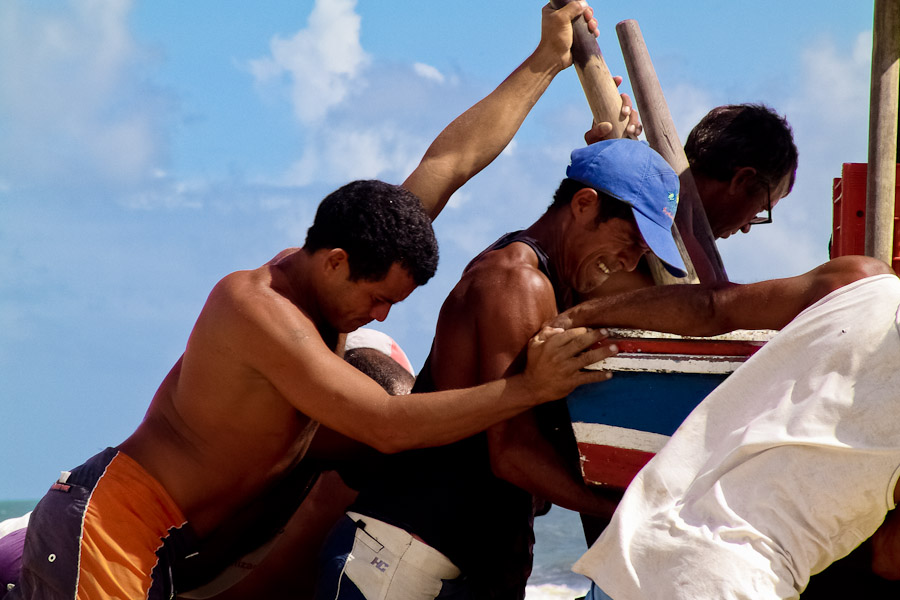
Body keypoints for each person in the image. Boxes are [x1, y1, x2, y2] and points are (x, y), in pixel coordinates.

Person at [10, 154, 613, 598]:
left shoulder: (343, 265)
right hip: (112, 524)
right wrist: (530, 388)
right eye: (378, 300)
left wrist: (544, 62)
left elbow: (446, 164)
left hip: (168, 545)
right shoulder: (258, 309)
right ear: (335, 263)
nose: (380, 316)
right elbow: (385, 424)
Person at [536, 255, 899, 600]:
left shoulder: (859, 282)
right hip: (739, 583)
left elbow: (712, 306)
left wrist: (575, 316)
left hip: (638, 559)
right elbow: (888, 558)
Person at [593, 102, 798, 293]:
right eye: (761, 208)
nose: (746, 228)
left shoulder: (681, 228)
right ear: (741, 180)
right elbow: (708, 304)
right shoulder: (649, 210)